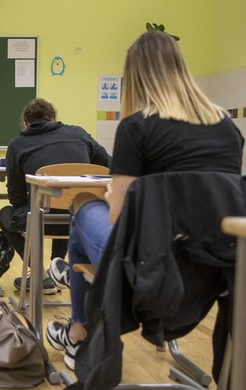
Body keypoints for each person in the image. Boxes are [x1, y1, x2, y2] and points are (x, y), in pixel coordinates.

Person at [46, 30, 244, 370]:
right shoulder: (228, 129)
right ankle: (68, 284)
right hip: (215, 264)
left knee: (82, 206)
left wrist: (111, 193)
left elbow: (119, 218)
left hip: (150, 262)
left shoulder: (137, 127)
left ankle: (77, 331)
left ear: (135, 76)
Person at [0, 98, 111, 292]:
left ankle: (40, 275)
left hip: (42, 217)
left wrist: (33, 202)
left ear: (25, 123)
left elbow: (16, 197)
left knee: (5, 214)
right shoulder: (79, 134)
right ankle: (56, 268)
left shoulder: (17, 144)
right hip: (82, 218)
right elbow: (109, 164)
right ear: (55, 118)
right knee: (68, 202)